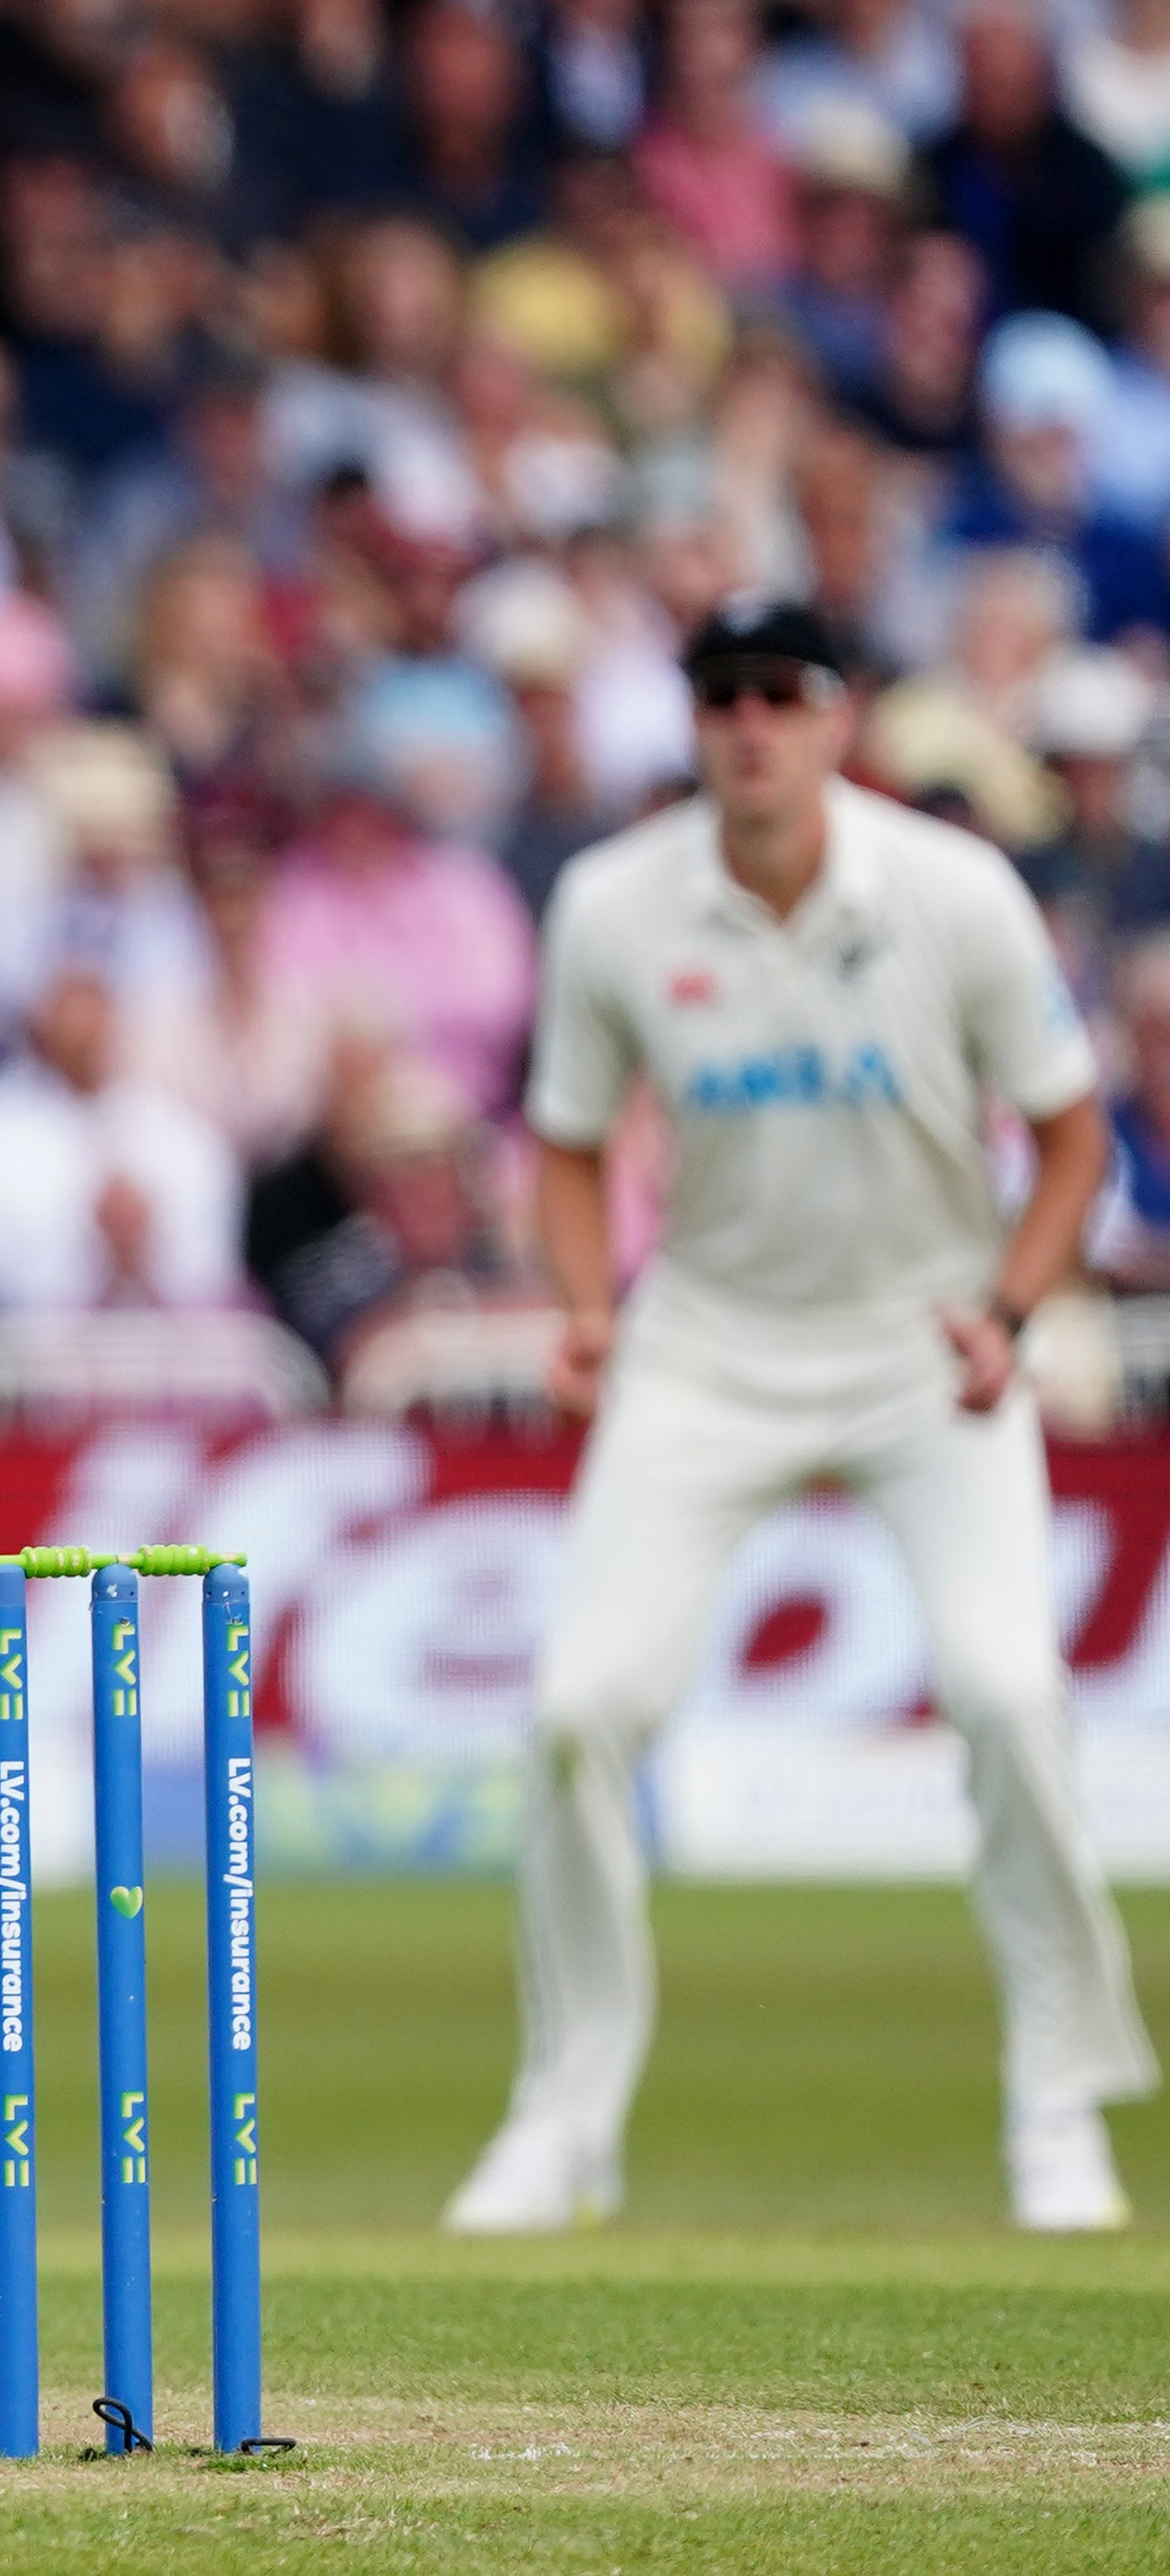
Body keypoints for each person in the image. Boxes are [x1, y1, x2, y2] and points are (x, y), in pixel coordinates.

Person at [452, 598, 1157, 2236]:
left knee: (1004, 1689)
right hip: (704, 1341)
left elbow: (1070, 1141)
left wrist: (1006, 1309)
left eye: (778, 695)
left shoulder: (952, 891)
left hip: (926, 1341)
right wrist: (580, 1308)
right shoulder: (615, 903)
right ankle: (561, 2119)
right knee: (575, 1710)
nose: (747, 726)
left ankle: (1055, 2101)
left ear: (838, 719)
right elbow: (565, 1138)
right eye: (717, 699)